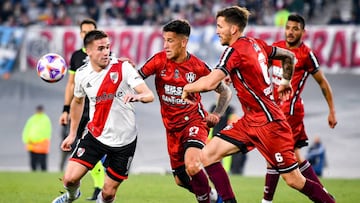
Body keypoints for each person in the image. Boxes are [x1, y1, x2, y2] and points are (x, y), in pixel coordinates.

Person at [182, 6, 336, 203]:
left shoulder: (234, 51)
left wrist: (188, 87)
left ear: (234, 29)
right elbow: (288, 56)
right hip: (250, 121)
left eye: (220, 26)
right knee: (208, 154)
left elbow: (210, 83)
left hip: (270, 124)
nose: (217, 30)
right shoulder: (256, 44)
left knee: (293, 179)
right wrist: (286, 81)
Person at [138, 19, 237, 203]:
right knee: (181, 180)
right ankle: (214, 197)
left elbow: (225, 91)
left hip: (194, 122)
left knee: (192, 165)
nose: (165, 45)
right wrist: (126, 72)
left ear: (183, 42)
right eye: (164, 40)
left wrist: (217, 113)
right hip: (171, 129)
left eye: (170, 40)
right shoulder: (159, 60)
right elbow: (136, 78)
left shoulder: (198, 66)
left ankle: (213, 199)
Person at [52, 30, 154, 203]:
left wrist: (139, 97)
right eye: (100, 48)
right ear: (88, 51)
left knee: (108, 194)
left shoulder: (123, 68)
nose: (106, 52)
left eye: (108, 47)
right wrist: (72, 134)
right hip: (95, 135)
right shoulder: (82, 74)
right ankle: (71, 196)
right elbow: (77, 102)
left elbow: (148, 94)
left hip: (124, 141)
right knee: (69, 179)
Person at [262, 13, 337, 203]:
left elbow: (323, 83)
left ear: (303, 32)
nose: (290, 32)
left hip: (290, 112)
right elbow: (261, 66)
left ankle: (266, 201)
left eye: (295, 29)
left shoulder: (306, 54)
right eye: (288, 27)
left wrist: (332, 111)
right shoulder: (277, 48)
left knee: (273, 154)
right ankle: (324, 195)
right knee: (295, 156)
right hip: (275, 109)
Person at [58, 18, 105, 201]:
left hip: (99, 110)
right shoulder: (76, 57)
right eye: (84, 32)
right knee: (82, 148)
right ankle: (96, 187)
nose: (86, 34)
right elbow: (70, 85)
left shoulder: (104, 54)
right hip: (80, 111)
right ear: (80, 34)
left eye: (90, 31)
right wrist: (65, 109)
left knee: (98, 148)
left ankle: (99, 187)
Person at [22, 105, 52, 172]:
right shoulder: (32, 119)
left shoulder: (45, 119)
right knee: (33, 161)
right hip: (31, 143)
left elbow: (46, 132)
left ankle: (43, 175)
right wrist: (26, 139)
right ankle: (33, 174)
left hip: (41, 144)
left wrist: (37, 140)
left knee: (42, 162)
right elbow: (26, 130)